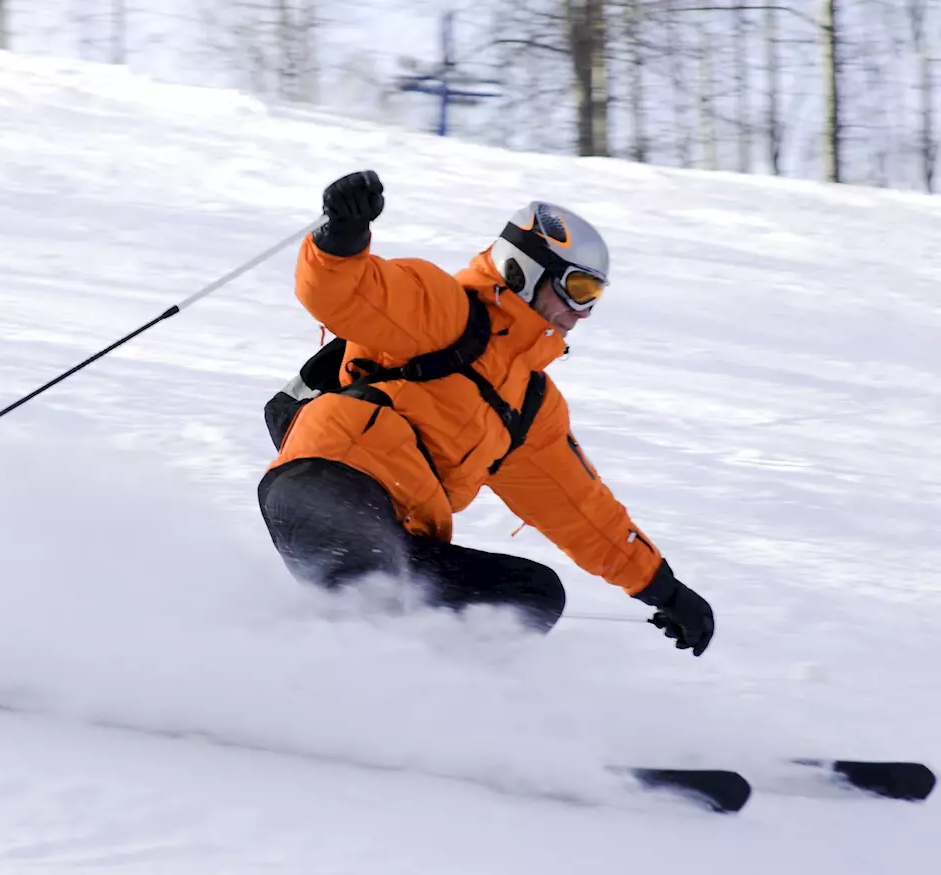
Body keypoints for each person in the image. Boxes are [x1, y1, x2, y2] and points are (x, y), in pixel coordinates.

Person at [258, 171, 715, 656]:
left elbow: (581, 511)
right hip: (330, 485)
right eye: (578, 288)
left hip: (396, 534)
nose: (583, 312)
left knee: (529, 596)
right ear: (524, 269)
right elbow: (345, 294)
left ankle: (409, 707)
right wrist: (343, 237)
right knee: (376, 605)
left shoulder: (529, 405)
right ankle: (292, 685)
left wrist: (664, 590)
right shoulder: (443, 311)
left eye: (594, 297)